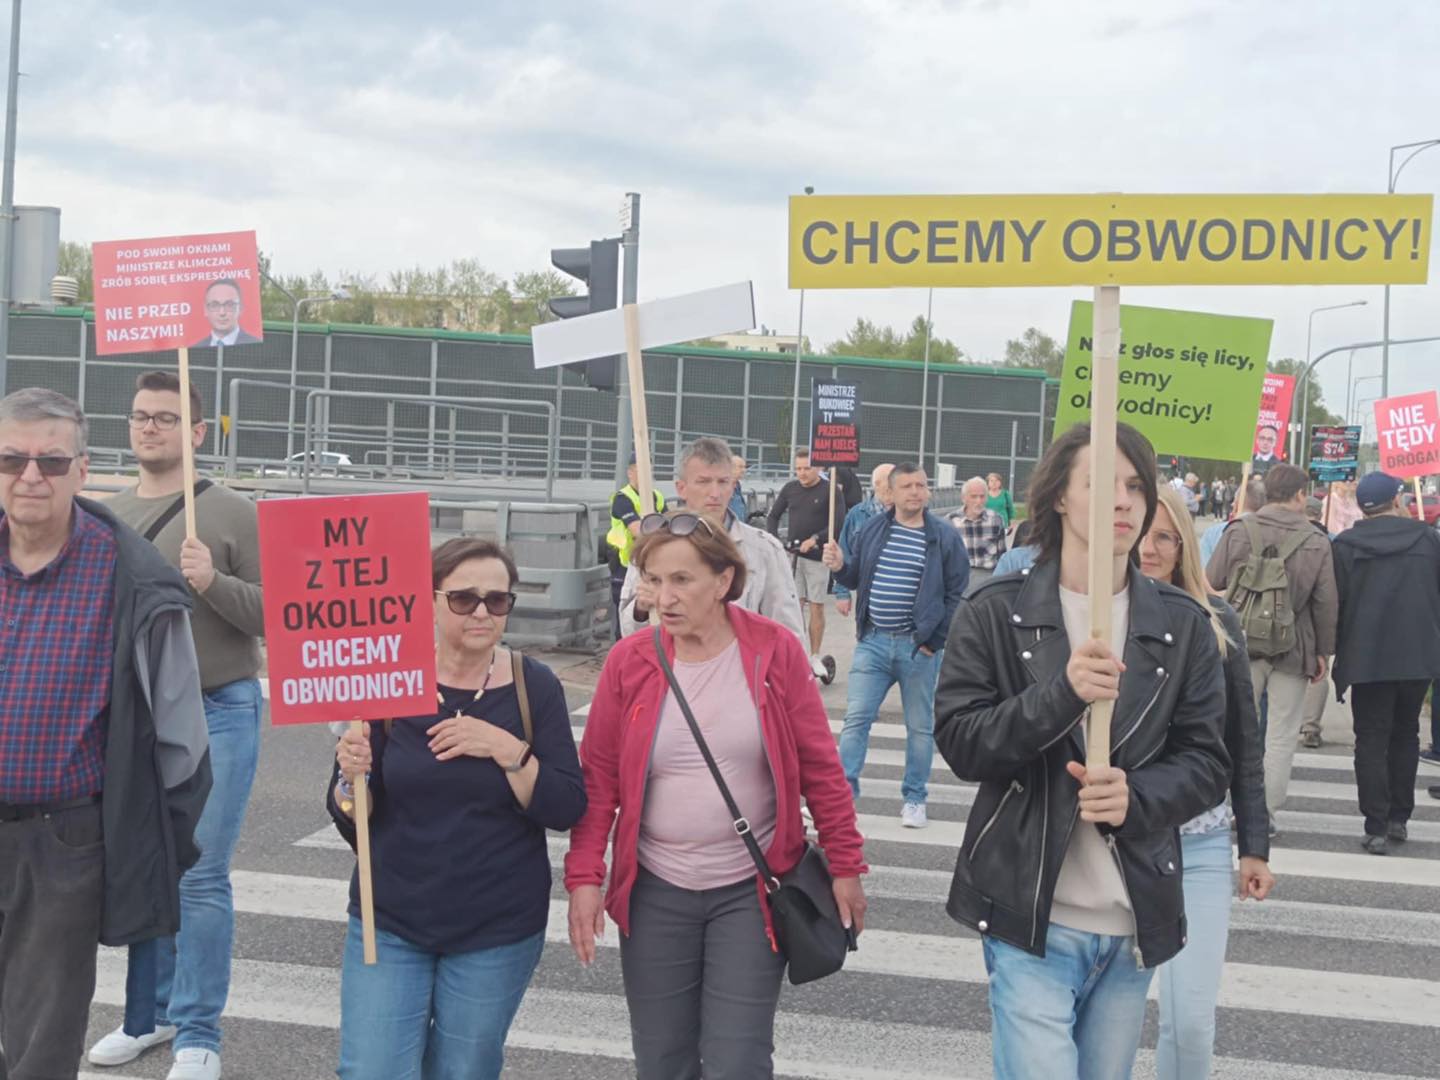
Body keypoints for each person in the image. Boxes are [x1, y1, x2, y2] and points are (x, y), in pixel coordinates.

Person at [933, 422, 1230, 1080]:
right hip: (1029, 917)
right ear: (1061, 497)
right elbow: (962, 742)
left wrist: (1138, 796)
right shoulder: (994, 611)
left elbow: (1208, 763)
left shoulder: (1182, 625)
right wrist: (1060, 695)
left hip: (1131, 922)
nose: (1124, 501)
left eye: (1137, 487)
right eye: (1101, 484)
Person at [565, 512, 867, 1078]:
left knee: (738, 1061)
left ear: (724, 580)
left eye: (682, 580)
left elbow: (820, 768)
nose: (664, 598)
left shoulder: (774, 651)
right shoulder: (631, 660)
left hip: (750, 890)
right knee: (662, 1060)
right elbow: (598, 778)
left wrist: (846, 864)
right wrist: (585, 877)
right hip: (655, 890)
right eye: (654, 580)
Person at [0, 387, 211, 1080]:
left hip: (61, 839)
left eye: (52, 461)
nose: (31, 476)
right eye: (12, 459)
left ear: (83, 470)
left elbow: (182, 743)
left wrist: (155, 844)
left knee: (41, 1038)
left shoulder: (130, 576)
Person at [329, 538, 586, 1079]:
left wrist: (506, 749)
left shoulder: (533, 686)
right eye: (464, 598)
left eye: (498, 600)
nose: (482, 612)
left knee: (463, 1070)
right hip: (393, 916)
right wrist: (351, 779)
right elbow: (354, 815)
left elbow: (564, 805)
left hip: (496, 925)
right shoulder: (389, 679)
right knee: (372, 1070)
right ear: (428, 600)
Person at [88, 372, 266, 1080]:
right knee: (145, 865)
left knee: (199, 874)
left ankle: (198, 1031)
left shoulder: (232, 512)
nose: (149, 427)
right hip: (137, 715)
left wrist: (211, 582)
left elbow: (275, 615)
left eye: (166, 417)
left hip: (220, 706)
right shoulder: (108, 512)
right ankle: (148, 1015)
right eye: (140, 416)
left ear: (196, 432)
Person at [1140, 485, 1274, 1080]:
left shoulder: (1218, 620)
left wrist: (1254, 846)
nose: (1149, 549)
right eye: (1140, 534)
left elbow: (1243, 738)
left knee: (1189, 1021)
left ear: (1183, 547)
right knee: (1105, 1019)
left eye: (1164, 537)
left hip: (1199, 842)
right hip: (1117, 843)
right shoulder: (1094, 615)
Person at [822, 463, 969, 827]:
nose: (915, 492)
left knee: (919, 727)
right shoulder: (875, 528)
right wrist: (839, 566)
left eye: (920, 485)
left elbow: (956, 592)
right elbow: (856, 575)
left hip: (918, 647)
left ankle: (915, 798)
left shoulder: (943, 536)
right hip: (873, 643)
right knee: (856, 720)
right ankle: (843, 798)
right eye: (907, 486)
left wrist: (935, 641)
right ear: (891, 492)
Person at [1207, 463, 1337, 829]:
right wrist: (1323, 652)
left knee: (1236, 726)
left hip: (1241, 641)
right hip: (1294, 647)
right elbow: (1326, 603)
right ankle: (1263, 814)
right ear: (1300, 495)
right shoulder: (1316, 541)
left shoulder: (1239, 529)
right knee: (1281, 733)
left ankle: (1226, 803)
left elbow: (1213, 578)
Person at [1331, 472, 1440, 855]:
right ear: (1396, 501)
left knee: (1371, 739)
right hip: (1417, 654)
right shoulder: (1428, 540)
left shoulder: (1345, 546)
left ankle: (1375, 824)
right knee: (1406, 733)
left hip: (1366, 655)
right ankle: (1399, 817)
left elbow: (1336, 603)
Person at [621, 437, 803, 643]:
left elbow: (789, 635)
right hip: (669, 661)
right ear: (681, 488)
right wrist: (641, 609)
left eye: (723, 482)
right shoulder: (654, 546)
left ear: (733, 486)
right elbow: (628, 632)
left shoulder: (764, 550)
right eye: (704, 482)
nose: (715, 493)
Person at [766, 448, 845, 679]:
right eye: (798, 469)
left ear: (818, 468)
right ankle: (795, 651)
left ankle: (815, 654)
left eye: (807, 468)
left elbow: (838, 522)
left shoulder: (830, 490)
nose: (802, 473)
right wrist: (774, 541)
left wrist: (816, 539)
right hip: (793, 556)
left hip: (817, 557)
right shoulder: (790, 489)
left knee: (816, 605)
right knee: (793, 605)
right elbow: (773, 516)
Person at [606, 454, 665, 637]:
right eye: (641, 470)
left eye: (649, 470)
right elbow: (638, 530)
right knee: (625, 616)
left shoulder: (656, 496)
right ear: (630, 473)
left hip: (650, 565)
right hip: (624, 566)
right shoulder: (622, 498)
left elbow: (668, 526)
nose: (646, 475)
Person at [834, 463, 894, 618]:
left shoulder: (907, 513)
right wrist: (842, 593)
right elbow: (845, 552)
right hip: (866, 588)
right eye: (891, 480)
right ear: (877, 484)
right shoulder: (857, 515)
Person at [949, 475, 1007, 592]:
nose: (978, 501)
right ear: (964, 498)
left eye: (982, 496)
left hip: (987, 580)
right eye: (974, 497)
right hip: (960, 579)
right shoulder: (951, 522)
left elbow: (1002, 555)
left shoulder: (996, 520)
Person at [1199, 477, 1265, 567]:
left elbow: (1204, 569)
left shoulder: (1213, 533)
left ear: (1236, 504)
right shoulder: (1274, 534)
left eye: (1234, 500)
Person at [191, 279, 261, 348]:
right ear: (205, 310)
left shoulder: (256, 346)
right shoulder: (195, 348)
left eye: (229, 305)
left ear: (240, 308)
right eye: (215, 305)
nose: (222, 313)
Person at [728, 454, 749, 522]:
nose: (744, 470)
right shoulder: (723, 486)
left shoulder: (737, 485)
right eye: (740, 467)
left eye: (744, 467)